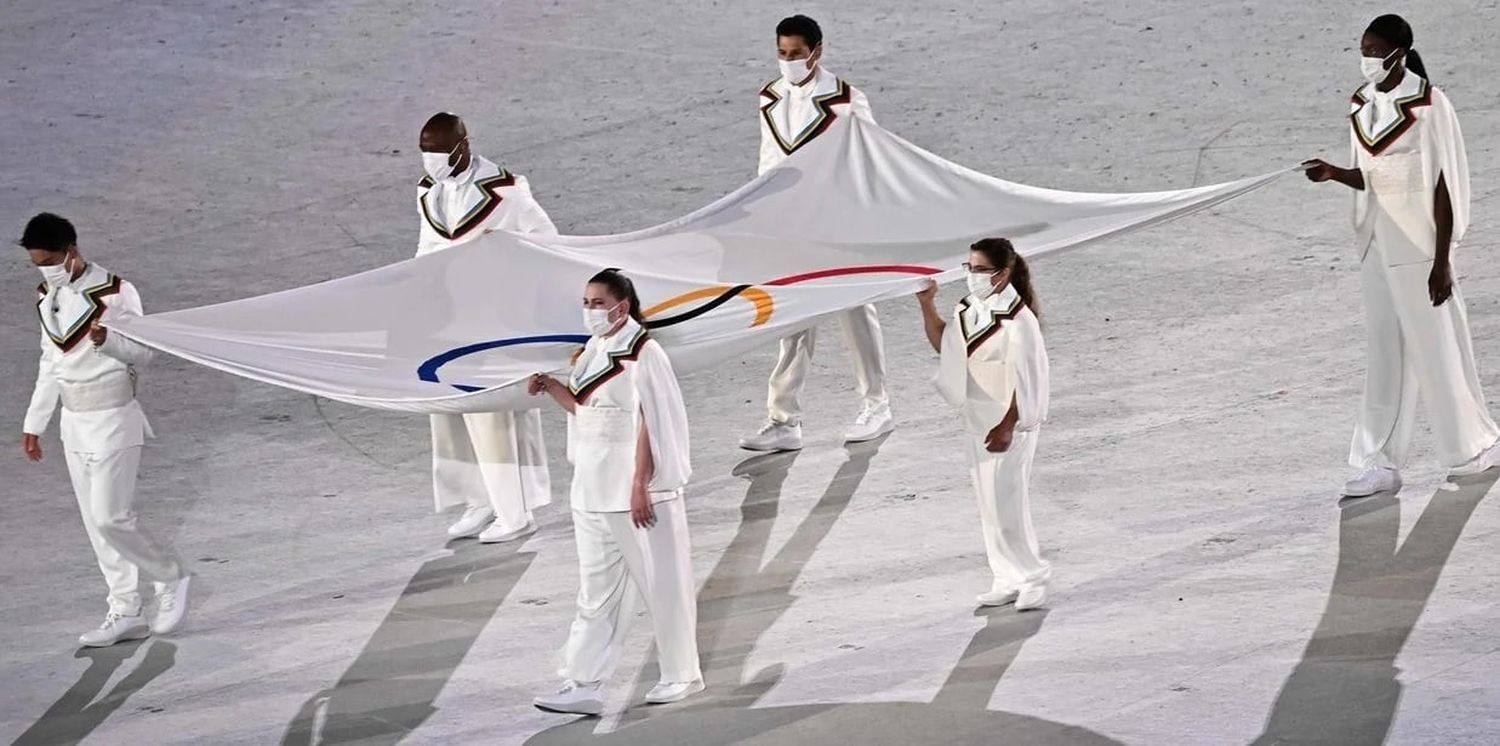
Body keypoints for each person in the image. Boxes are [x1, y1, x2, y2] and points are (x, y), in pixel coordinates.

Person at [1304, 14, 1500, 498]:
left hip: (1419, 244)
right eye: (1363, 49)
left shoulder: (1432, 105)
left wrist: (1442, 259)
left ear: (1400, 50)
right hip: (1377, 241)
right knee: (1384, 353)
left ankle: (1476, 445)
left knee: (1438, 350)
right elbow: (1369, 176)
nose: (1367, 58)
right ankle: (1381, 462)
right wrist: (1334, 173)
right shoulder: (1361, 103)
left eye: (1374, 49)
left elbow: (1444, 185)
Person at [528, 269, 703, 714]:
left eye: (596, 303)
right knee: (596, 591)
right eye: (586, 303)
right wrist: (551, 387)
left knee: (663, 586)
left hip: (636, 492)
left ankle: (682, 674)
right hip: (591, 489)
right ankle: (584, 683)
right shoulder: (592, 350)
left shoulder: (645, 353)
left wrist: (642, 484)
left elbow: (652, 421)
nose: (589, 311)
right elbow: (586, 411)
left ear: (621, 307)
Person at [19, 213, 193, 646]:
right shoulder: (46, 296)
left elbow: (146, 352)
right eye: (37, 262)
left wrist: (107, 341)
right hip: (73, 424)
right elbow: (50, 362)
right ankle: (125, 608)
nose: (44, 269)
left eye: (49, 260)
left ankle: (169, 577)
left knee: (111, 516)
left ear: (71, 252)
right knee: (96, 526)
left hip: (114, 417)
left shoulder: (117, 291)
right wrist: (35, 422)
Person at [739, 14, 894, 452]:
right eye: (782, 54)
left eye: (797, 54)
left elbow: (871, 157)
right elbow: (768, 159)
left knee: (854, 311)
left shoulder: (846, 99)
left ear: (817, 52)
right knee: (793, 317)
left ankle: (877, 403)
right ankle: (784, 419)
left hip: (836, 222)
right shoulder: (769, 96)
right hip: (789, 226)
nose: (788, 62)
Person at [416, 112, 556, 542]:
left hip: (496, 318)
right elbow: (426, 247)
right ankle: (479, 500)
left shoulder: (506, 191)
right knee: (451, 413)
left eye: (439, 152)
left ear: (463, 145)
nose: (432, 162)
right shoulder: (428, 192)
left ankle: (514, 512)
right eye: (426, 153)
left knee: (493, 416)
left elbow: (546, 239)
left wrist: (515, 288)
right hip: (450, 318)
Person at [915, 238, 1051, 611]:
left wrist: (1007, 425)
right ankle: (1005, 576)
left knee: (1008, 505)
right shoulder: (969, 308)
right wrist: (927, 305)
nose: (971, 276)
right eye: (969, 268)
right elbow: (946, 345)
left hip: (1009, 426)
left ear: (1003, 274)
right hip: (976, 419)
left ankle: (1033, 576)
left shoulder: (1019, 322)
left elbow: (1026, 379)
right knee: (988, 506)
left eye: (979, 270)